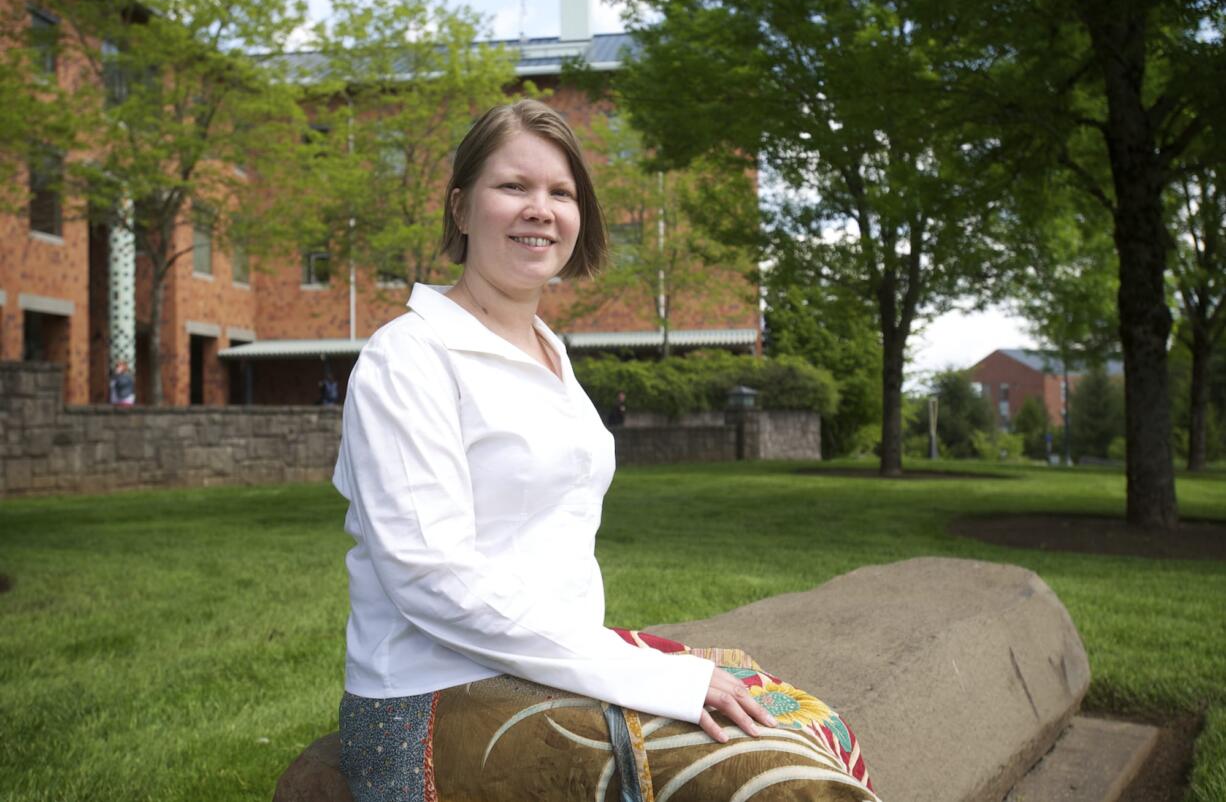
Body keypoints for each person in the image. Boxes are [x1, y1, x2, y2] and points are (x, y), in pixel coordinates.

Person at [332, 100, 876, 802]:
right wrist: (653, 678)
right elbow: (433, 582)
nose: (540, 209)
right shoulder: (409, 357)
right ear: (461, 209)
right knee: (777, 787)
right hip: (435, 693)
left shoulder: (549, 350)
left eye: (561, 193)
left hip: (552, 665)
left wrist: (622, 665)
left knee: (808, 724)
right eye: (513, 188)